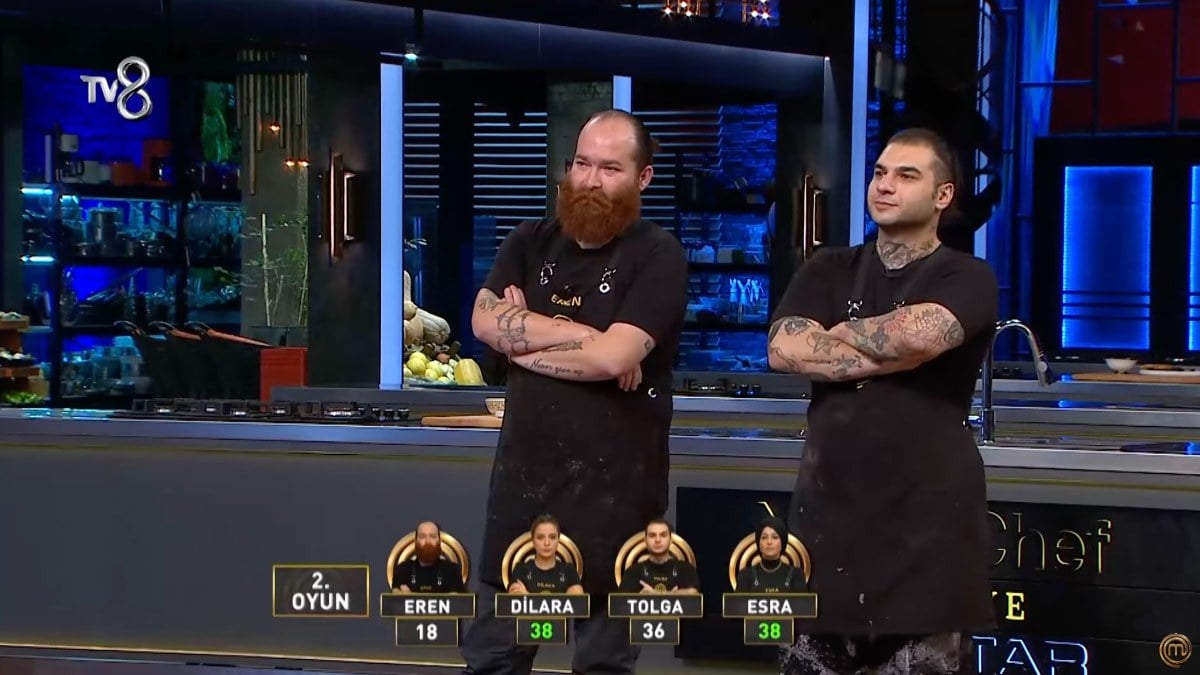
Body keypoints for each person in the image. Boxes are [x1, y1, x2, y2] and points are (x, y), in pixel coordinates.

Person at [461, 109, 689, 675]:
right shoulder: (528, 241)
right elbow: (485, 321)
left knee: (602, 666)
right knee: (493, 661)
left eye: (610, 168)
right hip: (522, 495)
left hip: (619, 503)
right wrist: (591, 340)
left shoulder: (659, 256)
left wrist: (524, 338)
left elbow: (614, 359)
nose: (590, 180)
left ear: (643, 178)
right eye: (582, 164)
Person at [767, 127, 997, 674]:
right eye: (879, 173)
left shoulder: (967, 275)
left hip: (928, 532)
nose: (885, 186)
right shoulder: (827, 268)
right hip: (825, 528)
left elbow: (921, 336)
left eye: (906, 175)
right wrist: (888, 347)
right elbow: (783, 348)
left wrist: (836, 336)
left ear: (943, 195)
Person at [507, 515, 585, 595]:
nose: (547, 543)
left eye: (552, 537)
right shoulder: (521, 570)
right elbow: (514, 598)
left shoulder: (569, 571)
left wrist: (527, 595)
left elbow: (577, 600)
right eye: (540, 537)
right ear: (533, 541)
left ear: (558, 540)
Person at [617, 519, 699, 595]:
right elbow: (621, 601)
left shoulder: (685, 569)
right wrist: (639, 598)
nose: (657, 540)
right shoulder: (633, 572)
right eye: (652, 535)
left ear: (670, 540)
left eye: (663, 535)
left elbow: (693, 593)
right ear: (645, 540)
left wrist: (661, 595)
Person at [735, 515, 804, 593]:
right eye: (764, 537)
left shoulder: (796, 575)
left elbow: (802, 601)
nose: (769, 542)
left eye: (775, 537)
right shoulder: (745, 575)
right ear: (758, 543)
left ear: (783, 542)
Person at [391, 521, 466, 594]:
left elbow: (456, 600)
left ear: (439, 541)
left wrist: (411, 596)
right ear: (416, 541)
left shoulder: (453, 571)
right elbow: (395, 598)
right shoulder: (402, 570)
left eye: (432, 536)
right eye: (422, 536)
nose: (428, 541)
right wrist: (400, 596)